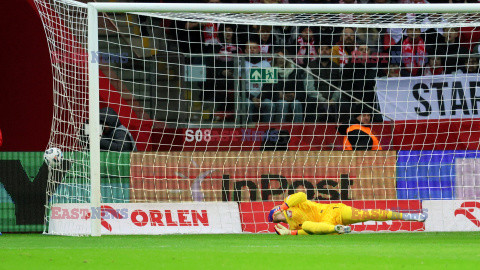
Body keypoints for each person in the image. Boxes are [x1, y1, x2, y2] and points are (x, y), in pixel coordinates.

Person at [269, 192, 427, 235]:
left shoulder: (290, 201)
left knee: (367, 214)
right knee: (310, 226)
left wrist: (284, 206)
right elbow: (308, 230)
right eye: (274, 216)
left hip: (334, 211)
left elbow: (302, 195)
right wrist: (292, 232)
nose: (277, 212)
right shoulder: (291, 224)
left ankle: (410, 216)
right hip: (326, 225)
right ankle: (338, 229)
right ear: (276, 220)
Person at [261, 51, 304, 123]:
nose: (281, 59)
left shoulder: (295, 71)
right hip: (277, 98)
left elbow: (302, 91)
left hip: (292, 98)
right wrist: (278, 95)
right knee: (282, 103)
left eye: (283, 57)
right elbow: (266, 90)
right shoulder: (270, 70)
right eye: (278, 57)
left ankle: (298, 129)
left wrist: (294, 95)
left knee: (296, 104)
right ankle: (278, 128)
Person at [243, 37, 273, 122]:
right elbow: (239, 86)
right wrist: (252, 98)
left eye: (254, 48)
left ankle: (268, 130)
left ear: (259, 50)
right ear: (245, 50)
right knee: (246, 104)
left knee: (269, 104)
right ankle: (248, 130)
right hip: (247, 96)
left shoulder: (266, 64)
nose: (252, 50)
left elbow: (269, 85)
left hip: (262, 96)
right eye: (249, 48)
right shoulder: (241, 63)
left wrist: (260, 97)